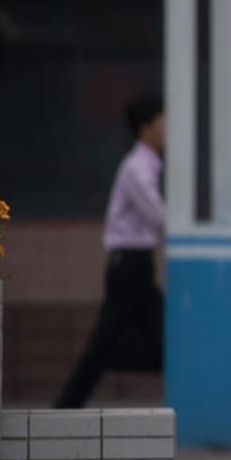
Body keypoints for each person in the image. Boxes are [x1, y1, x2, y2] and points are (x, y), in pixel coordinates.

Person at [55, 95, 166, 409]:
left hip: (138, 266)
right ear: (146, 128)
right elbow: (158, 216)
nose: (168, 129)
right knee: (157, 341)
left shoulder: (147, 166)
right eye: (163, 121)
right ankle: (67, 405)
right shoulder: (136, 169)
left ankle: (102, 362)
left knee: (165, 343)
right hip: (129, 266)